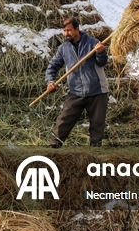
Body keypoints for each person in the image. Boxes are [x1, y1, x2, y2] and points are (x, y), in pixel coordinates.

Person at [45, 16, 109, 147]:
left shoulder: (92, 43)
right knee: (64, 119)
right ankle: (54, 146)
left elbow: (102, 62)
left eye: (69, 30)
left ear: (77, 29)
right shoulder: (63, 48)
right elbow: (53, 66)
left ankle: (95, 149)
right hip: (76, 91)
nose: (66, 34)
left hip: (97, 90)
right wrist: (50, 81)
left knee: (97, 123)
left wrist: (100, 52)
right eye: (64, 31)